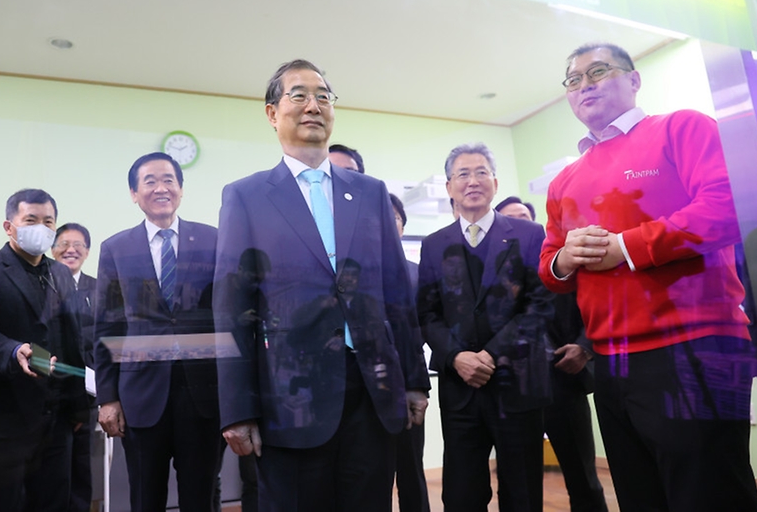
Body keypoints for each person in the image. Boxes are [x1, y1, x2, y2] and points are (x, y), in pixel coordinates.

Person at [538, 42, 757, 512]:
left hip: (694, 345)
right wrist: (566, 259)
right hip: (611, 361)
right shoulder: (564, 180)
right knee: (641, 495)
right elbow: (550, 267)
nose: (585, 85)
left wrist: (625, 248)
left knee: (709, 493)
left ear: (634, 80)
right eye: (573, 80)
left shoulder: (681, 127)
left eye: (597, 71)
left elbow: (726, 207)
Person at [213, 59, 429, 512]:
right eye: (299, 95)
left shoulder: (370, 192)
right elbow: (233, 308)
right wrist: (237, 407)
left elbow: (396, 294)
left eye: (324, 96)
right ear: (272, 113)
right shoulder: (246, 195)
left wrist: (414, 382)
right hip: (290, 397)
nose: (314, 105)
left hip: (373, 390)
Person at [417, 143, 553, 512]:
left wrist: (490, 354)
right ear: (449, 187)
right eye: (462, 174)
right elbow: (427, 314)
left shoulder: (529, 235)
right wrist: (456, 356)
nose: (472, 181)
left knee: (522, 491)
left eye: (481, 172)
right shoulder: (433, 245)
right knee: (461, 494)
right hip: (460, 389)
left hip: (518, 383)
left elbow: (541, 304)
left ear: (494, 181)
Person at [94, 153, 222, 512]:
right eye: (149, 181)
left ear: (181, 189)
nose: (160, 187)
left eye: (168, 179)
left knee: (202, 497)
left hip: (203, 396)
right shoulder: (116, 248)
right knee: (145, 498)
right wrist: (108, 397)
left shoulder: (214, 240)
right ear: (134, 193)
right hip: (141, 397)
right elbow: (108, 326)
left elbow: (229, 317)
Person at [0, 188, 88, 512]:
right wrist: (15, 351)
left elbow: (73, 339)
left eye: (47, 221)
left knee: (54, 502)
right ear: (8, 226)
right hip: (4, 417)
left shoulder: (60, 274)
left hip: (57, 419)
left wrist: (79, 406)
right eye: (30, 220)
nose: (40, 228)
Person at [496, 197, 607, 512]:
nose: (520, 225)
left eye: (525, 218)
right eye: (510, 220)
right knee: (517, 480)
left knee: (582, 475)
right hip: (510, 388)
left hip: (562, 378)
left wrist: (585, 347)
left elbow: (593, 305)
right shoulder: (490, 275)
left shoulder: (563, 263)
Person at [389, 193, 431, 512]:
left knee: (412, 470)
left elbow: (429, 325)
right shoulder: (350, 274)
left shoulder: (418, 272)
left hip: (408, 383)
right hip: (360, 389)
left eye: (395, 218)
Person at [52, 222, 97, 512]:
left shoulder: (100, 288)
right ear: (52, 249)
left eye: (78, 245)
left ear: (88, 251)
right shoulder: (42, 285)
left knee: (81, 465)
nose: (71, 250)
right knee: (51, 472)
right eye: (64, 244)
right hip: (50, 393)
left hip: (90, 393)